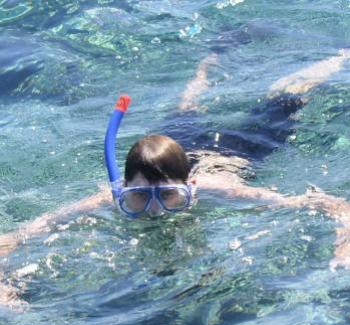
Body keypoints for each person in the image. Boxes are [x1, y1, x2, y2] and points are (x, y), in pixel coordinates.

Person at [1, 49, 350, 306]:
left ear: (190, 189)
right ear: (121, 189)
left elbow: (324, 204)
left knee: (288, 97)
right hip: (173, 149)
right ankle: (206, 65)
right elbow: (17, 236)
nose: (154, 211)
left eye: (168, 197)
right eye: (139, 197)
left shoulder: (217, 188)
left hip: (237, 151)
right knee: (186, 106)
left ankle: (336, 58)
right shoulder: (109, 198)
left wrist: (345, 234)